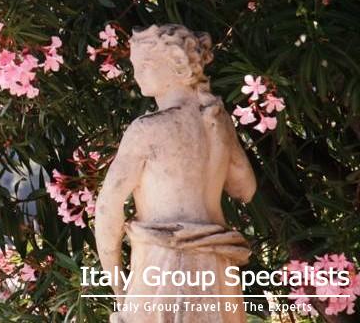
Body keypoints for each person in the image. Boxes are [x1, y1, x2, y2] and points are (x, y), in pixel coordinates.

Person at [94, 24, 257, 323]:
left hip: (164, 263)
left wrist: (118, 287)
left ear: (177, 66)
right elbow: (245, 189)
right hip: (217, 264)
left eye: (145, 65)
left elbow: (107, 208)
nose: (137, 74)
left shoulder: (148, 129)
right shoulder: (218, 122)